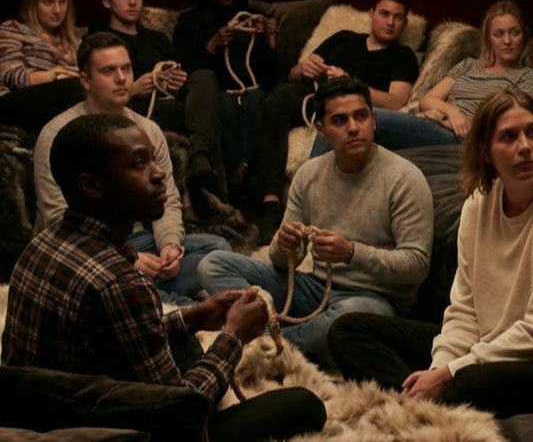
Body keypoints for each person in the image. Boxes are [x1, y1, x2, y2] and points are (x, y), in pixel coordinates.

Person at [2, 113, 326, 442]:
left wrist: (192, 317)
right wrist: (234, 335)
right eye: (139, 163)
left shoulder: (41, 244)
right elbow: (178, 414)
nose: (159, 174)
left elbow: (114, 337)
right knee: (303, 405)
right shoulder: (120, 283)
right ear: (91, 185)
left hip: (49, 411)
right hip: (99, 432)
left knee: (187, 348)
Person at [326, 88, 533, 418]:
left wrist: (451, 373)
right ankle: (420, 406)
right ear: (486, 152)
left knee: (467, 385)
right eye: (508, 137)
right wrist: (441, 366)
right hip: (490, 343)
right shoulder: (479, 205)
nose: (525, 147)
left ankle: (419, 410)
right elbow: (465, 309)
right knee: (349, 332)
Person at [198, 76, 435, 363]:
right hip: (314, 289)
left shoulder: (405, 179)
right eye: (340, 120)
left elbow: (417, 267)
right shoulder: (309, 174)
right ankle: (287, 337)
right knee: (213, 264)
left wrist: (351, 252)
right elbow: (281, 261)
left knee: (351, 316)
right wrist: (284, 246)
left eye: (361, 116)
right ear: (321, 130)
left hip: (375, 300)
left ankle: (277, 347)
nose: (353, 127)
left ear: (373, 120)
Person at [33, 32, 232, 303]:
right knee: (119, 279)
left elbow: (166, 198)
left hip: (135, 239)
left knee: (218, 249)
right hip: (80, 253)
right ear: (85, 81)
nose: (121, 78)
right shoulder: (58, 133)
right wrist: (130, 260)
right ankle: (164, 301)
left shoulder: (147, 129)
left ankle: (154, 295)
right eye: (108, 71)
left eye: (125, 68)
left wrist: (170, 245)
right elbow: (57, 218)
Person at [247, 0, 419, 241]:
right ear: (371, 14)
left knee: (336, 117)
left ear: (404, 23)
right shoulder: (344, 38)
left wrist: (352, 81)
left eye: (398, 17)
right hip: (312, 96)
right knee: (276, 99)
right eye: (384, 14)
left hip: (350, 106)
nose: (390, 22)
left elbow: (395, 102)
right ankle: (270, 200)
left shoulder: (403, 57)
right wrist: (304, 68)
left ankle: (312, 216)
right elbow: (293, 74)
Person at [90, 0, 229, 200]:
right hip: (135, 106)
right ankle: (216, 190)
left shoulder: (157, 38)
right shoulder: (99, 40)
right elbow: (94, 90)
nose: (133, 2)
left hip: (171, 98)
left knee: (205, 78)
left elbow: (179, 73)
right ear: (106, 1)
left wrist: (173, 79)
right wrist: (133, 88)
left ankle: (201, 160)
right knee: (199, 115)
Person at [172, 0, 278, 197]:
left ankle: (247, 172)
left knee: (255, 100)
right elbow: (186, 71)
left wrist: (270, 40)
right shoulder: (190, 21)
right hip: (217, 91)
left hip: (251, 90)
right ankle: (229, 181)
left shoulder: (252, 17)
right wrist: (213, 44)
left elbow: (272, 78)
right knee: (227, 108)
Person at [379, 0, 533, 149]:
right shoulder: (468, 65)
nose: (507, 41)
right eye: (499, 34)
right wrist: (453, 113)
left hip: (466, 136)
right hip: (440, 122)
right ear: (488, 38)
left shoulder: (529, 76)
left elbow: (516, 118)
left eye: (514, 32)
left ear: (523, 36)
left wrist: (467, 124)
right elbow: (428, 100)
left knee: (374, 119)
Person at [0, 0, 85, 134]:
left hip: (59, 105)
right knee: (76, 88)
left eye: (62, 2)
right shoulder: (13, 29)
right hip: (13, 100)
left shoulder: (74, 41)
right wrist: (53, 76)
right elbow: (11, 74)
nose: (57, 10)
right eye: (48, 3)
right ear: (33, 4)